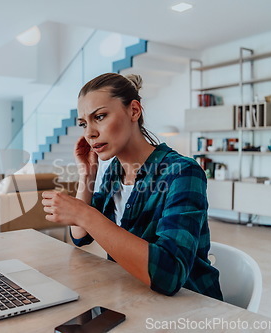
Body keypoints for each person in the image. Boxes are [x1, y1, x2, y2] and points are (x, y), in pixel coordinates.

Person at [41, 73, 223, 300]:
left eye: (99, 116)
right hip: (133, 294)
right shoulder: (114, 173)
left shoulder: (183, 172)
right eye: (83, 123)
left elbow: (170, 275)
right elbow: (81, 236)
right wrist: (87, 175)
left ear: (134, 111)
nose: (89, 133)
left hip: (191, 306)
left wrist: (84, 214)